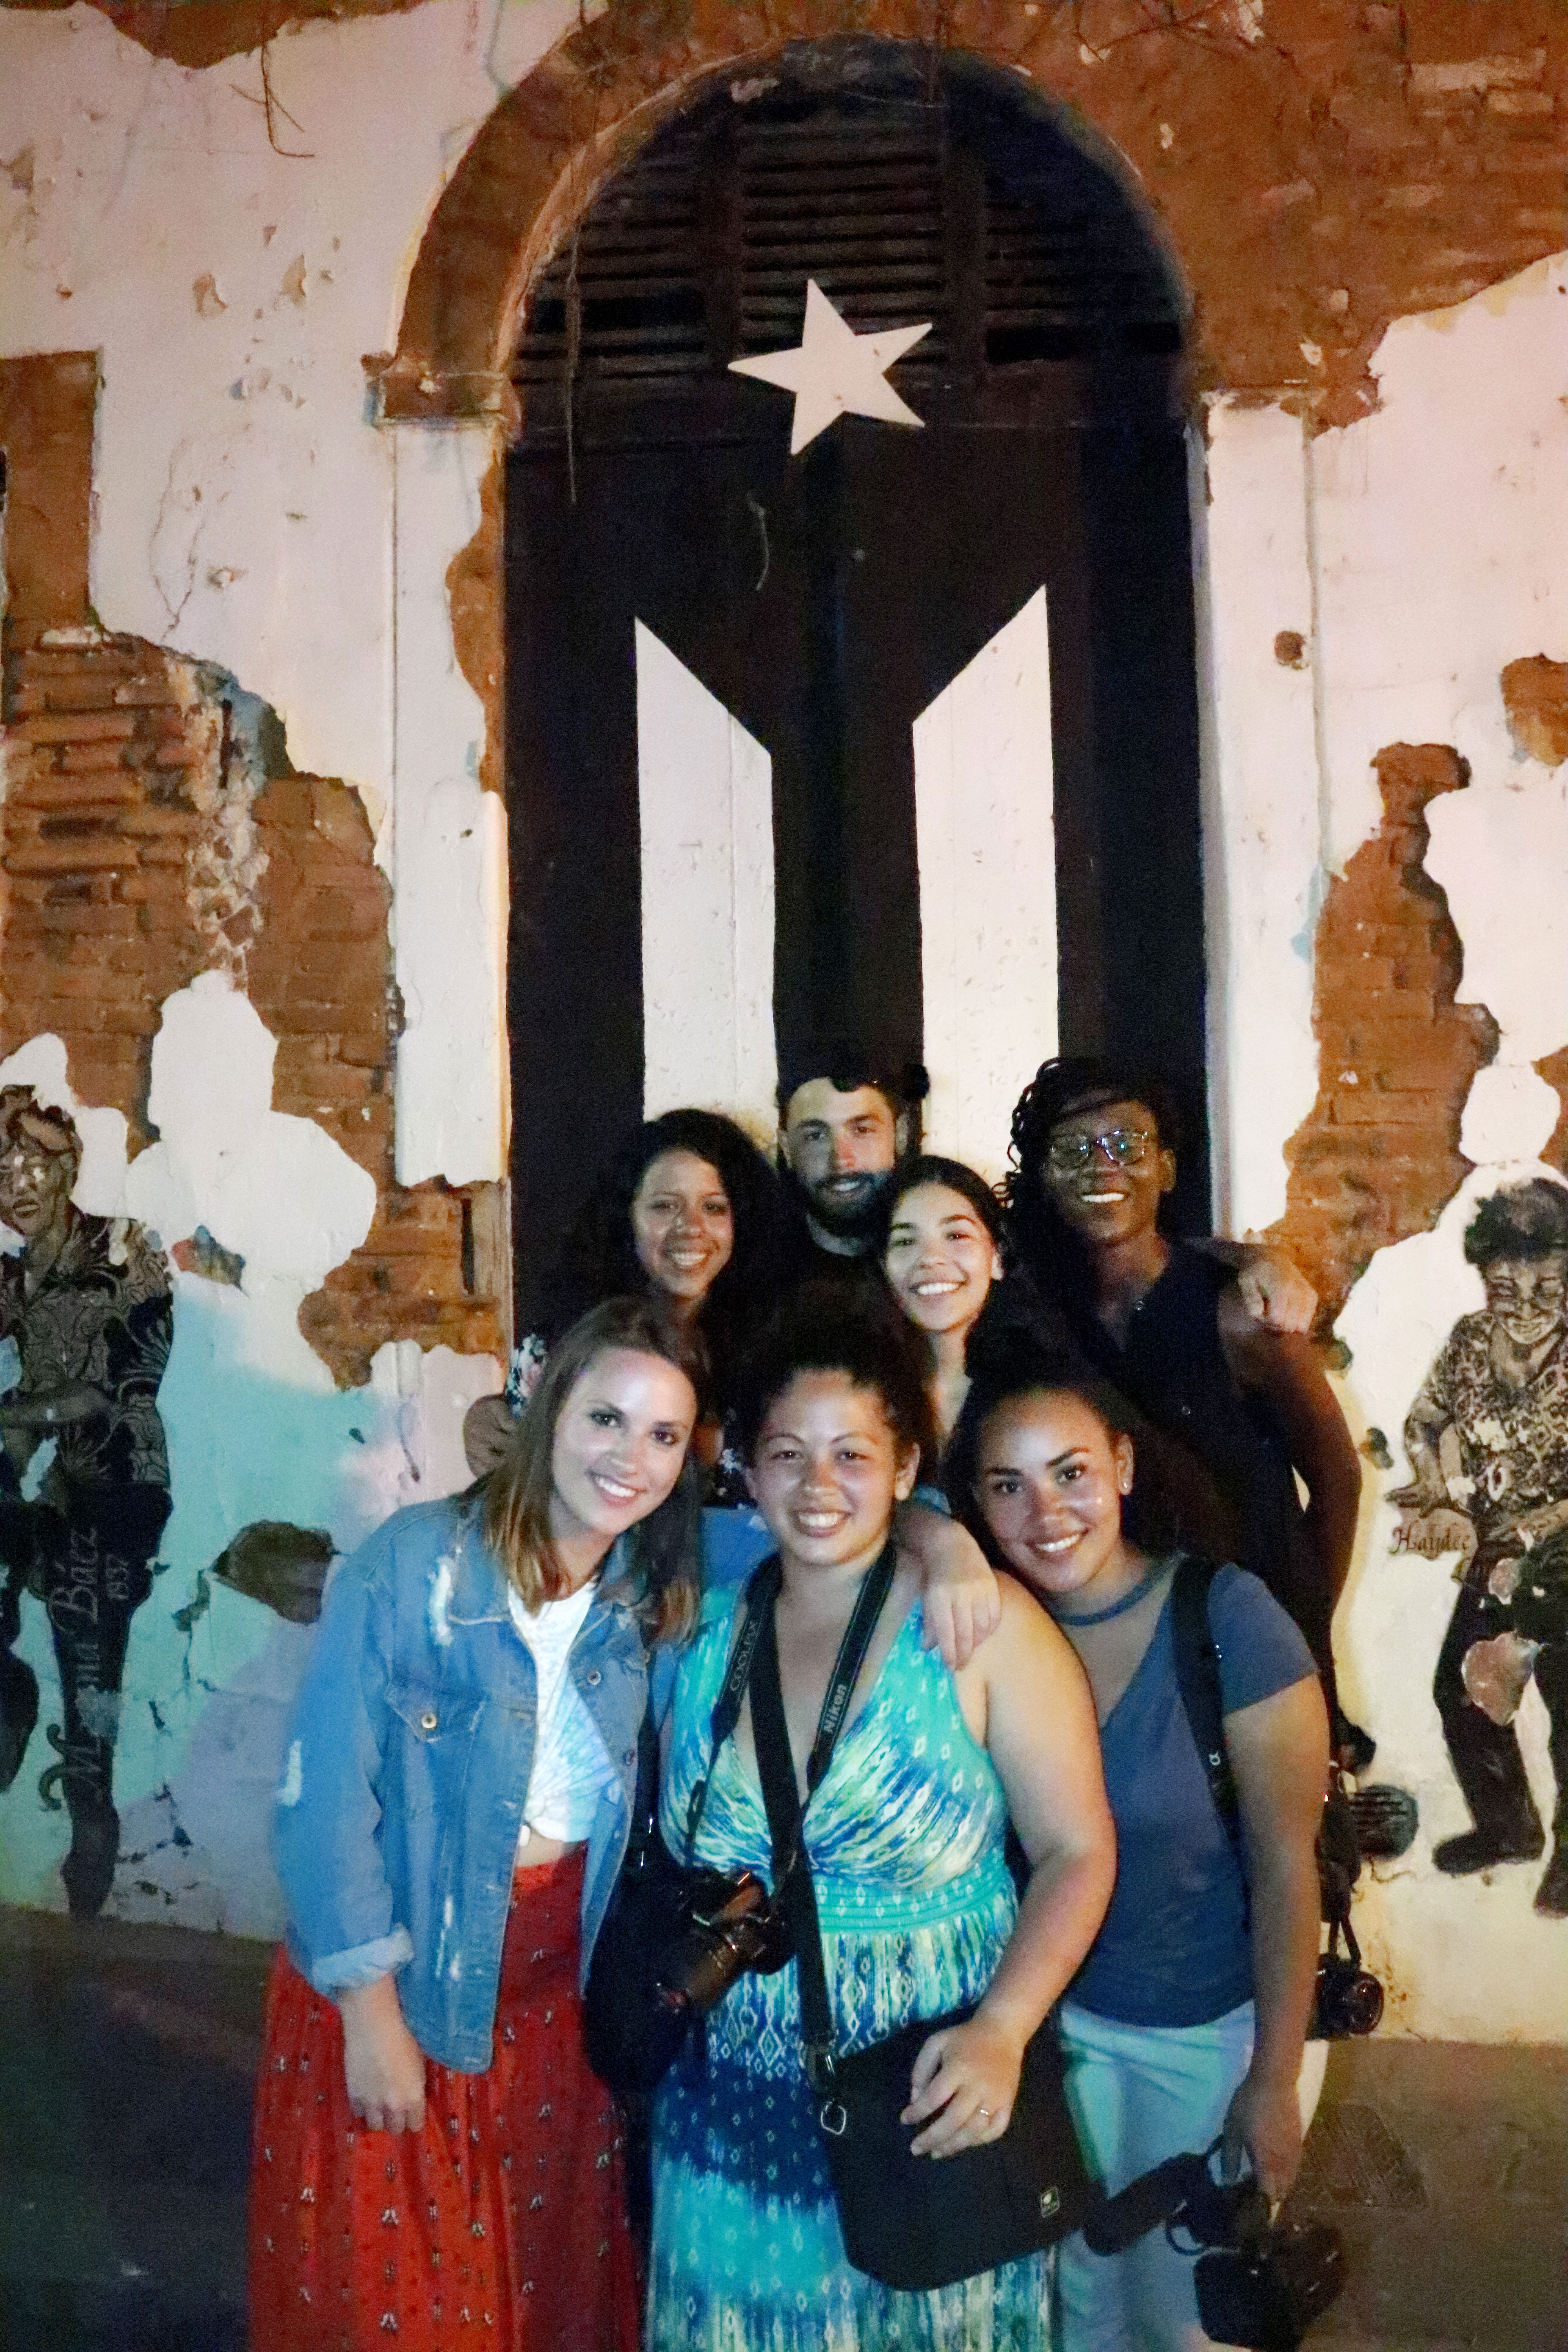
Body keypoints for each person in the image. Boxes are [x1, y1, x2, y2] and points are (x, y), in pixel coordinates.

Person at [647, 1289, 1116, 2352]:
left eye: (853, 1455)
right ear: (748, 1471)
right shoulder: (707, 1632)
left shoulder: (980, 1629)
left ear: (906, 1469)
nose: (820, 1488)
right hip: (728, 2130)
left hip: (927, 2110)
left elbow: (1077, 1851)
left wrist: (1004, 2030)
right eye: (788, 1455)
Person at [951, 1347, 1328, 2352]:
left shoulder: (1224, 1619)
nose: (1045, 1513)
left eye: (1070, 1472)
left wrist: (1274, 2080)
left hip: (1208, 2033)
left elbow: (1289, 1863)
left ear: (1121, 1464)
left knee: (1183, 2323)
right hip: (1051, 2035)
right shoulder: (981, 1633)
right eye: (1007, 1486)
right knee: (1076, 2312)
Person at [1005, 1055, 1368, 1768]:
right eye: (1074, 1151)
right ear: (1046, 1179)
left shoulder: (1240, 1314)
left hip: (1253, 1666)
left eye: (1127, 1146)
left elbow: (1338, 1481)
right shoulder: (1040, 1321)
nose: (1101, 1167)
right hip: (1121, 1671)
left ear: (1167, 1169)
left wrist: (1295, 1637)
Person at [0, 1087, 173, 1918]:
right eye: (0, 1172)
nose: (16, 1185)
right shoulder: (13, 1275)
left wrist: (16, 1416)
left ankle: (90, 1808)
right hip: (40, 1475)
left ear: (69, 1166)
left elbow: (114, 1388)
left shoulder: (126, 1249)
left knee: (87, 1649)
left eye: (32, 1163)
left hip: (116, 1483)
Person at [1393, 1178, 1568, 1913]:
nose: (1525, 1307)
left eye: (1547, 1287)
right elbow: (1424, 1420)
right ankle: (1509, 1828)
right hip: (1498, 1552)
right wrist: (1436, 1487)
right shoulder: (1469, 1340)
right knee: (1461, 1691)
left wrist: (1526, 1532)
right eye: (1505, 1288)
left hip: (1561, 1548)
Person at [464, 1107, 782, 1492]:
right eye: (664, 1206)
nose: (690, 1228)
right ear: (626, 1216)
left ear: (741, 1222)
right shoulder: (559, 1346)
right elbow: (523, 1497)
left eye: (713, 1208)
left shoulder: (778, 1347)